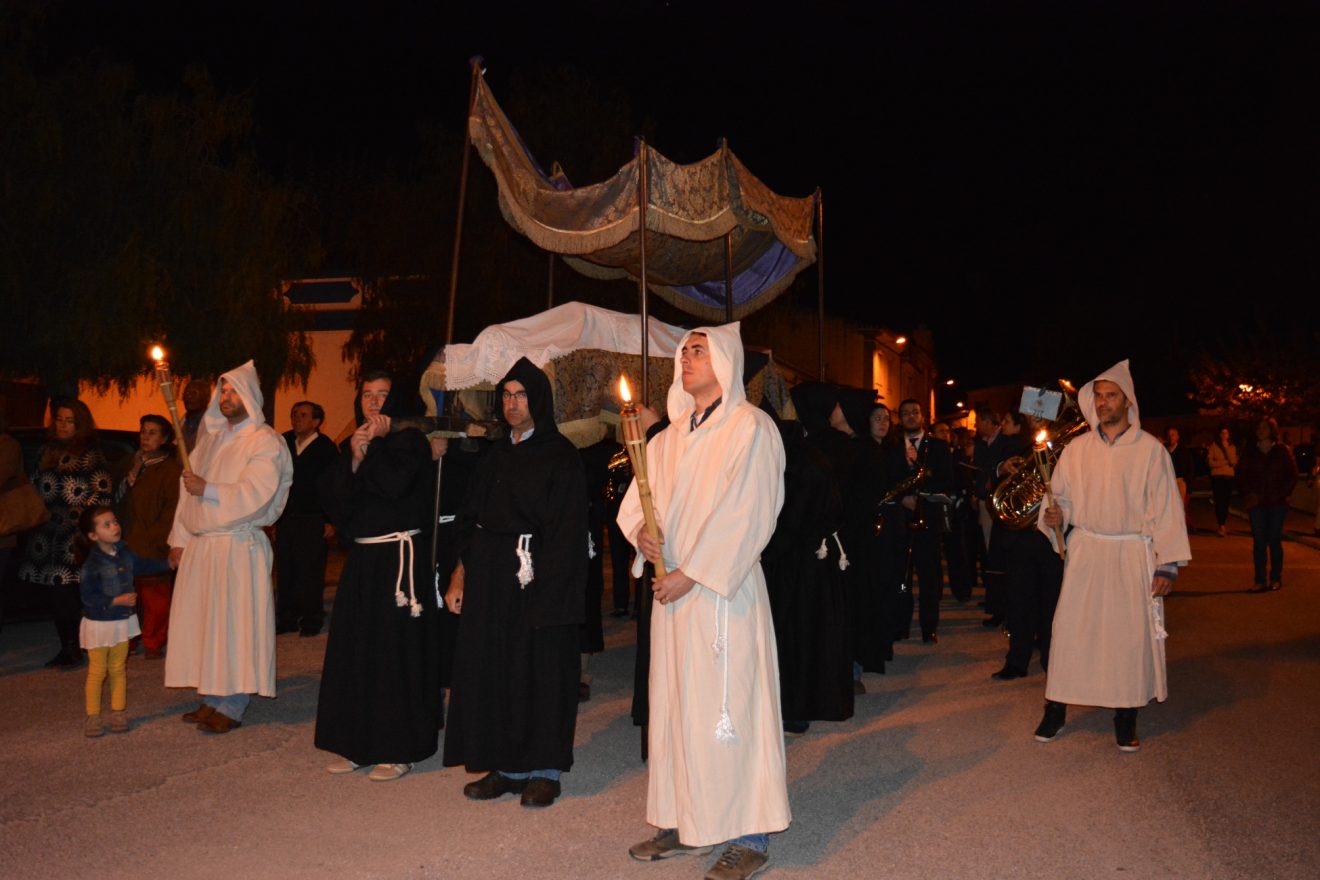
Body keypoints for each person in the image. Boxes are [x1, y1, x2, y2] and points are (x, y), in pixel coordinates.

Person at [620, 325, 789, 880]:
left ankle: (748, 832)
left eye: (698, 350)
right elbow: (641, 505)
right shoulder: (667, 438)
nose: (687, 358)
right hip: (673, 598)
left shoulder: (750, 428)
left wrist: (693, 574)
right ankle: (685, 819)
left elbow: (750, 511)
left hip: (723, 596)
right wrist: (645, 533)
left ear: (724, 360)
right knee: (674, 707)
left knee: (729, 709)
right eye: (683, 351)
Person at [443, 357, 588, 808]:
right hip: (490, 580)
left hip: (538, 578)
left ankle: (544, 769)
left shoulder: (561, 457)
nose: (512, 403)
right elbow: (470, 520)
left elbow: (567, 534)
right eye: (506, 395)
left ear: (538, 401)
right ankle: (505, 765)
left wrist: (551, 595)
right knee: (497, 670)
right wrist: (460, 572)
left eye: (520, 395)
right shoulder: (494, 456)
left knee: (540, 673)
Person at [1034, 360, 1190, 752]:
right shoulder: (1077, 449)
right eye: (1098, 396)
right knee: (1071, 631)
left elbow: (1168, 508)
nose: (1103, 403)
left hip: (1130, 554)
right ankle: (1056, 708)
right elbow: (1062, 497)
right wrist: (1057, 515)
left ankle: (1125, 715)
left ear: (1127, 402)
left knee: (1126, 639)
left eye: (1111, 396)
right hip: (1087, 552)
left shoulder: (1151, 452)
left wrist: (1166, 565)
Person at [314, 372, 445, 782]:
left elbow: (394, 486)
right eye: (367, 395)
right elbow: (338, 507)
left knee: (395, 654)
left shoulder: (411, 443)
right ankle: (356, 744)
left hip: (400, 561)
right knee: (356, 652)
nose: (373, 403)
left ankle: (400, 748)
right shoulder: (354, 445)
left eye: (382, 395)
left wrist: (372, 451)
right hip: (364, 564)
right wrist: (352, 458)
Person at [166, 361, 293, 734]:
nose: (226, 397)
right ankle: (212, 695)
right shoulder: (209, 439)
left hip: (237, 548)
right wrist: (180, 539)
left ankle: (233, 702)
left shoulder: (265, 441)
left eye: (234, 390)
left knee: (234, 625)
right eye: (222, 391)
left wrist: (210, 490)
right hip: (204, 548)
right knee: (206, 624)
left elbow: (258, 493)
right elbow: (185, 492)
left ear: (250, 396)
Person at [19, 398, 113, 668]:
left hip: (73, 534)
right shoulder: (46, 450)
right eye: (59, 419)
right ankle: (67, 644)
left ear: (79, 423)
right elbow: (35, 486)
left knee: (67, 592)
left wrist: (89, 530)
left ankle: (74, 647)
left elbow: (101, 492)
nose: (62, 425)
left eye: (69, 420)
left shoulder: (89, 453)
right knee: (53, 593)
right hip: (46, 532)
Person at [77, 505, 172, 737]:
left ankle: (118, 712)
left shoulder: (126, 553)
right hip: (100, 624)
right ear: (93, 535)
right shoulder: (92, 564)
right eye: (106, 525)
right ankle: (93, 716)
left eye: (115, 521)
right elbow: (88, 598)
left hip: (121, 623)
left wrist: (167, 564)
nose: (114, 527)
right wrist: (116, 600)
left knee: (119, 668)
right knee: (98, 670)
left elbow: (143, 566)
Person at [887, 398, 955, 643]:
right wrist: (904, 496)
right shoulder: (891, 446)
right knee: (902, 577)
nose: (910, 416)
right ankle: (901, 625)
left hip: (928, 519)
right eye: (905, 413)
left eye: (914, 412)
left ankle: (929, 627)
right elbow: (887, 479)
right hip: (901, 520)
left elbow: (947, 480)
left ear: (923, 416)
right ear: (900, 418)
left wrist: (920, 485)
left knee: (928, 577)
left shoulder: (938, 446)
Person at [114, 414, 182, 659]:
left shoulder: (170, 469)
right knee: (126, 594)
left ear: (164, 438)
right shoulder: (130, 463)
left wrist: (158, 537)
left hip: (154, 541)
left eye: (152, 432)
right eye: (143, 431)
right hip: (125, 539)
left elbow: (172, 508)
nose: (145, 436)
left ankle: (153, 641)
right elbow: (116, 497)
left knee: (155, 596)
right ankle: (128, 640)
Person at [275, 400, 338, 637]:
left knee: (311, 571)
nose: (296, 419)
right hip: (287, 517)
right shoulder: (283, 442)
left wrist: (330, 520)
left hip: (313, 519)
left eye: (302, 415)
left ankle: (311, 619)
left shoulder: (326, 448)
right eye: (294, 415)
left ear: (316, 421)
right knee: (286, 569)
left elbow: (333, 487)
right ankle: (286, 618)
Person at [1237, 417, 1297, 593]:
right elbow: (1241, 475)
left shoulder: (1282, 451)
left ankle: (1276, 578)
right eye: (1259, 427)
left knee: (1274, 539)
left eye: (1264, 427)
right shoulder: (1250, 452)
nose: (1260, 430)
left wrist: (1282, 494)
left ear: (1272, 431)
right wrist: (1249, 493)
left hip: (1277, 503)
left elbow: (1292, 476)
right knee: (1259, 541)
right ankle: (1260, 580)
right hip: (1257, 503)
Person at [1206, 426, 1238, 537]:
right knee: (1219, 501)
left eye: (1226, 433)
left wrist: (1220, 462)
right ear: (1219, 434)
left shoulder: (1232, 447)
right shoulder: (1214, 446)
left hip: (1229, 477)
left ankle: (1223, 523)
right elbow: (1211, 463)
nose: (1224, 435)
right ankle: (1221, 525)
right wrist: (1225, 462)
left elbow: (1234, 462)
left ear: (1229, 435)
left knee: (1226, 501)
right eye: (1222, 433)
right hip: (1217, 477)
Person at [1164, 427, 1195, 523]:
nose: (1170, 437)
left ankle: (1179, 526)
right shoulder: (1163, 450)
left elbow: (1190, 468)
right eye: (1169, 435)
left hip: (1179, 481)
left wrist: (1187, 483)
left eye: (1173, 435)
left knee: (1180, 506)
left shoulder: (1184, 451)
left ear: (1177, 437)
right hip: (1166, 482)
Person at [179, 379, 211, 451]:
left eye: (194, 393)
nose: (189, 397)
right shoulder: (180, 424)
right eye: (187, 393)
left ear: (207, 398)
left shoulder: (214, 427)